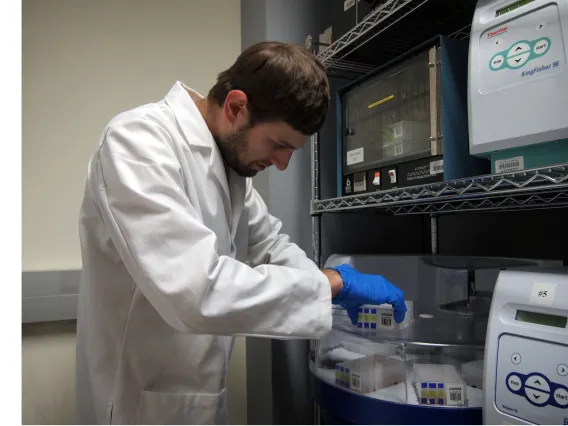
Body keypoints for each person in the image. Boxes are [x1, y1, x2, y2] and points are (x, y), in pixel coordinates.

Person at [75, 41, 407, 425]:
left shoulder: (230, 169)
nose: (282, 164)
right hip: (134, 404)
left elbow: (270, 246)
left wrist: (329, 291)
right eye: (279, 145)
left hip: (193, 400)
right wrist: (331, 285)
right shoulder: (137, 143)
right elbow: (196, 291)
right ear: (236, 106)